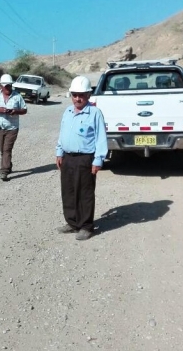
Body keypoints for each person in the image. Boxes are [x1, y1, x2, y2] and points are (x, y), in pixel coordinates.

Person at [55, 76, 108, 240]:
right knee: (68, 191)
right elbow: (62, 133)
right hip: (67, 158)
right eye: (75, 95)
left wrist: (98, 160)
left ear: (88, 95)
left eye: (81, 95)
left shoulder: (95, 113)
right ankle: (72, 223)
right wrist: (59, 152)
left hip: (85, 159)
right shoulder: (68, 112)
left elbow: (101, 138)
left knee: (85, 193)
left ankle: (86, 226)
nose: (78, 99)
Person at [0, 74, 28, 180]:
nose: (8, 88)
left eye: (9, 85)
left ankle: (4, 171)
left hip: (12, 128)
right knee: (2, 149)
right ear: (1, 86)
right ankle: (8, 165)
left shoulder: (17, 96)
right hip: (0, 127)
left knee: (7, 149)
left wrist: (15, 111)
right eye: (6, 86)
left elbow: (24, 110)